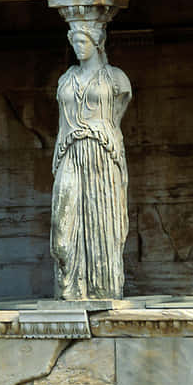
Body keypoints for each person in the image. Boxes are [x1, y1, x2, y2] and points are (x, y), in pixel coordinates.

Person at [51, 22, 132, 300]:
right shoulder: (66, 78)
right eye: (74, 42)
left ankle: (101, 289)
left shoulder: (116, 78)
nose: (78, 47)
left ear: (97, 43)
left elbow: (118, 112)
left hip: (102, 151)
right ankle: (69, 286)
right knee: (62, 228)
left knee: (103, 220)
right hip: (69, 151)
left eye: (83, 41)